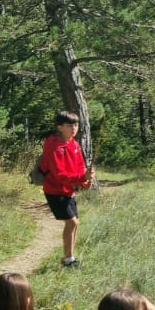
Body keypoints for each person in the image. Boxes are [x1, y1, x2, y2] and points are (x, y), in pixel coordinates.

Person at [39, 110, 91, 268]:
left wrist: (84, 182)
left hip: (68, 190)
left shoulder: (74, 144)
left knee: (75, 223)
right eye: (70, 125)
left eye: (76, 124)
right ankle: (68, 260)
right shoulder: (54, 146)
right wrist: (81, 179)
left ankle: (70, 258)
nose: (74, 128)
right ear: (60, 127)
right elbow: (60, 174)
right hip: (55, 190)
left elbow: (79, 167)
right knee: (72, 222)